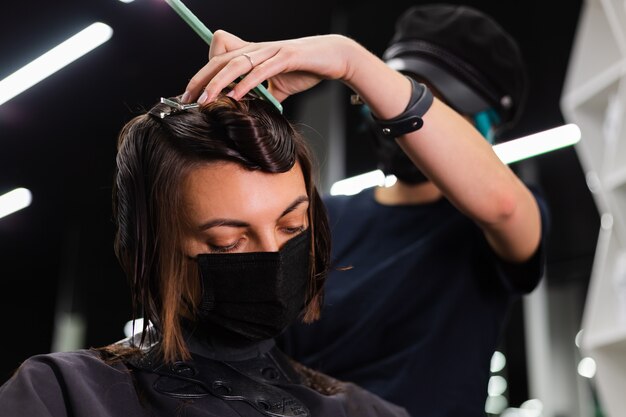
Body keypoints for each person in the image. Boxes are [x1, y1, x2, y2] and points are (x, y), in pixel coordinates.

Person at [0, 91, 409, 416]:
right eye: (229, 242)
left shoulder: (363, 410)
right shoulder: (64, 394)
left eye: (292, 227)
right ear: (156, 247)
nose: (274, 254)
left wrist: (350, 62)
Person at [274, 5, 550, 417]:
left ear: (481, 124)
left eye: (432, 100)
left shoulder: (493, 221)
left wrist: (351, 61)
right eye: (390, 96)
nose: (392, 119)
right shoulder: (323, 218)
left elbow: (503, 206)